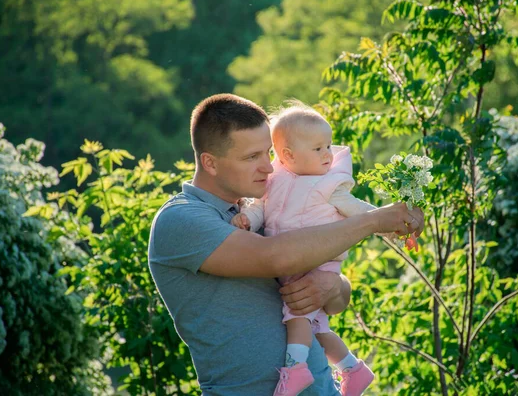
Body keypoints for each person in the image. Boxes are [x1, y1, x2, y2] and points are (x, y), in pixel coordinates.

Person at [147, 94, 424, 396]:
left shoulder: (267, 206)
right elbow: (276, 257)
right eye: (252, 157)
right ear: (210, 163)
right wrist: (374, 221)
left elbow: (338, 302)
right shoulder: (181, 218)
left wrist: (331, 284)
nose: (268, 168)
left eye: (269, 153)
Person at [230, 103, 416, 396]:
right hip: (289, 261)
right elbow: (259, 211)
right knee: (317, 328)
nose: (328, 154)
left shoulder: (330, 185)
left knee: (297, 315)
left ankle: (295, 369)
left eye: (328, 146)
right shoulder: (273, 182)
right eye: (318, 148)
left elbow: (362, 213)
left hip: (318, 263)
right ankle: (353, 369)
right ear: (288, 155)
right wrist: (247, 221)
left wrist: (391, 226)